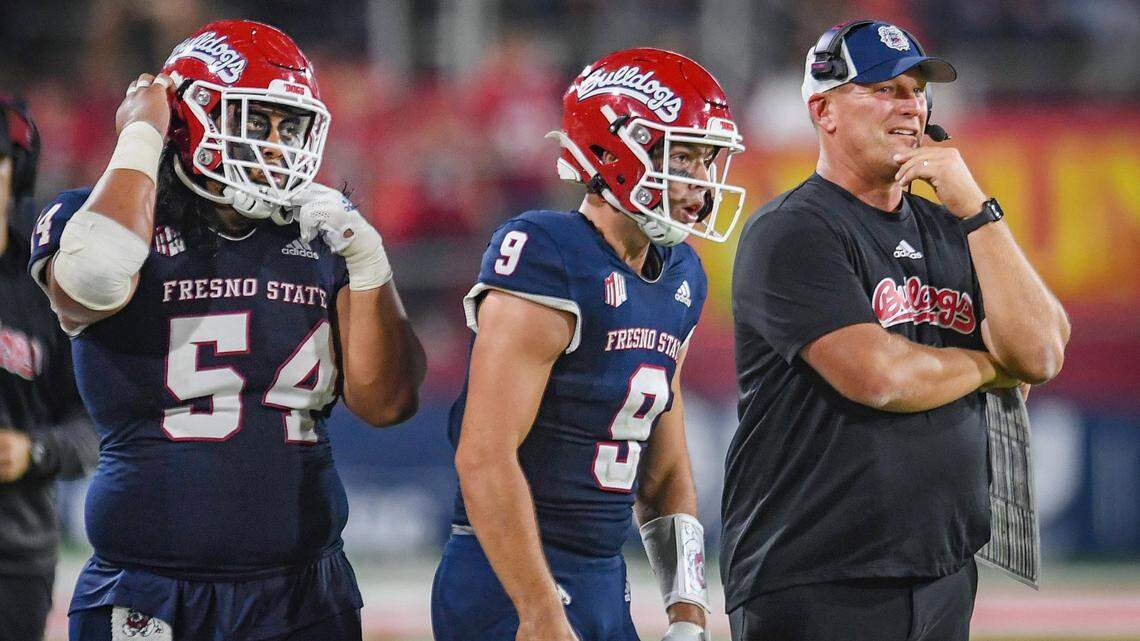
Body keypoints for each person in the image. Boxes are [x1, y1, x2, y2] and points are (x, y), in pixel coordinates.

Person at [28, 20, 426, 641]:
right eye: (255, 121)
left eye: (288, 126)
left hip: (303, 590)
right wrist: (140, 135)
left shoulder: (320, 234)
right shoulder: (99, 218)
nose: (275, 145)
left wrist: (371, 264)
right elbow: (94, 284)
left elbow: (388, 402)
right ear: (189, 119)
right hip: (148, 587)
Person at [722, 19, 1070, 641]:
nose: (909, 104)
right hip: (818, 579)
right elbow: (878, 376)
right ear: (823, 110)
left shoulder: (954, 228)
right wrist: (993, 367)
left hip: (942, 574)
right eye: (882, 88)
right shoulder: (792, 231)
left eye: (915, 89)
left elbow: (1041, 352)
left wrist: (976, 207)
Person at [431, 48, 747, 641]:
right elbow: (483, 454)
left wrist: (687, 613)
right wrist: (539, 610)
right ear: (614, 151)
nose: (701, 181)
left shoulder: (681, 273)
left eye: (708, 159)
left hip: (603, 577)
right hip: (510, 574)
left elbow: (665, 473)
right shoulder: (548, 253)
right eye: (683, 156)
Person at [0, 95, 98, 641]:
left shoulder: (46, 288)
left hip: (13, 558)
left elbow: (92, 425)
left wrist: (32, 452)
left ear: (16, 173)